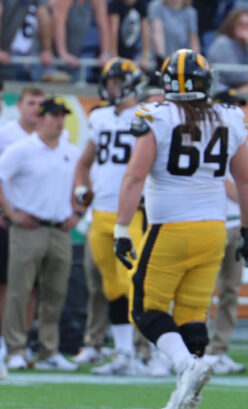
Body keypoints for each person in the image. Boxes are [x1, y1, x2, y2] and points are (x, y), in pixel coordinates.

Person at [114, 49, 248, 409]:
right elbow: (245, 180)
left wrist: (121, 228)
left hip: (170, 228)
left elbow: (134, 176)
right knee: (192, 315)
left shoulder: (157, 115)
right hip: (213, 229)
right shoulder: (230, 116)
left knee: (145, 310)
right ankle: (181, 400)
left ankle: (184, 365)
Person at [71, 58, 149, 375]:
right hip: (100, 210)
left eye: (117, 81)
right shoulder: (100, 117)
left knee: (136, 282)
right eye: (110, 81)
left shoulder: (145, 116)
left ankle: (150, 353)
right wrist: (80, 188)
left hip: (131, 211)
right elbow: (84, 162)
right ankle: (124, 354)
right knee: (111, 287)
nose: (112, 87)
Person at [0, 97, 82, 373]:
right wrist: (11, 213)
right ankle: (15, 349)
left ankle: (49, 349)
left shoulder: (70, 151)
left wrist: (78, 212)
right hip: (28, 228)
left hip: (60, 229)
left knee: (55, 293)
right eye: (53, 115)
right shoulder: (22, 149)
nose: (58, 121)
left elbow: (82, 183)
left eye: (62, 116)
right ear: (41, 118)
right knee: (19, 291)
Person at [204, 89, 248, 376]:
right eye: (232, 105)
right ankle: (199, 348)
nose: (238, 111)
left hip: (233, 224)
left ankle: (218, 349)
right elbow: (229, 184)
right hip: (212, 222)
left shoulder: (237, 140)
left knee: (230, 291)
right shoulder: (209, 138)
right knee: (204, 290)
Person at [0, 86, 46, 364]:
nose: (35, 109)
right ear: (19, 105)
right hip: (9, 219)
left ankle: (23, 341)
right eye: (31, 102)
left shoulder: (51, 137)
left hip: (39, 221)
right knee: (5, 284)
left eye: (40, 104)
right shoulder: (6, 133)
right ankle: (3, 341)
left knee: (33, 288)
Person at [206, 8, 248, 92]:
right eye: (240, 24)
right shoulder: (222, 43)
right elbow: (233, 75)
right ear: (232, 25)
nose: (245, 28)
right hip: (219, 87)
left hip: (241, 87)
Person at [147, 0, 199, 67]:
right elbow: (158, 32)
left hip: (176, 61)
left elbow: (193, 40)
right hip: (155, 60)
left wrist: (195, 61)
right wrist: (160, 58)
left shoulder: (191, 12)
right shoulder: (157, 6)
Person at [108, 0, 152, 68]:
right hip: (115, 53)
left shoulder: (141, 6)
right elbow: (113, 30)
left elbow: (146, 32)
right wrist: (114, 56)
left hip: (131, 55)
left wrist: (145, 56)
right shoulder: (116, 4)